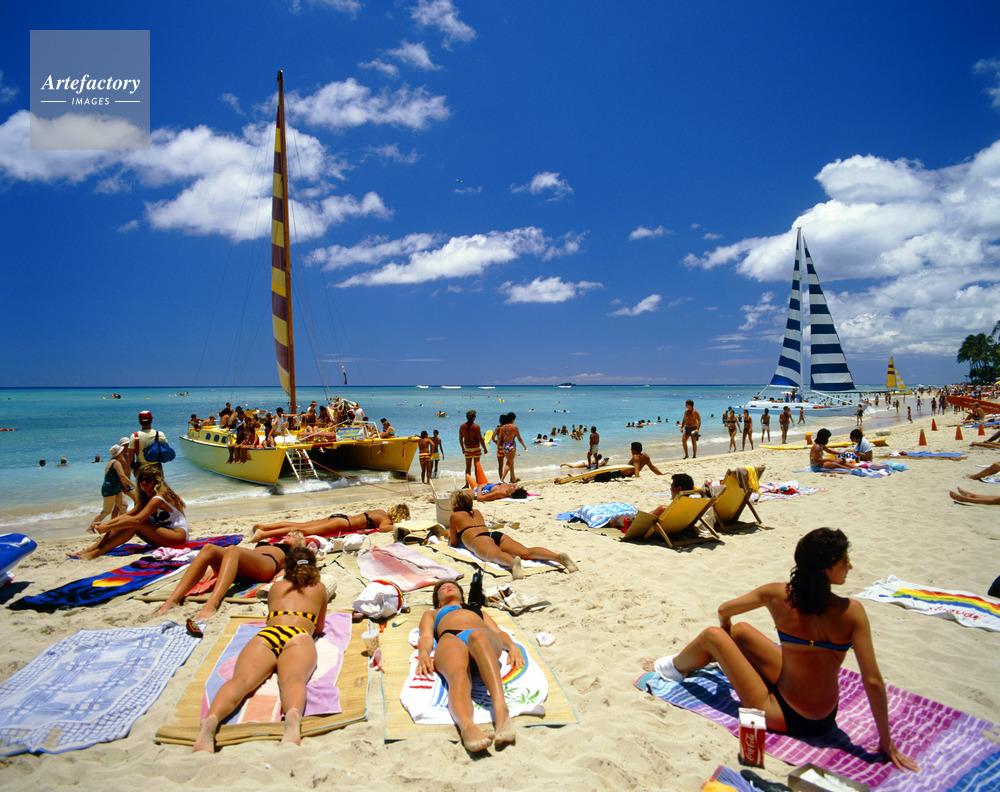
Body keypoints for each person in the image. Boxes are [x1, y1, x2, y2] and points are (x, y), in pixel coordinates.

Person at [642, 528, 919, 772]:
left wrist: (724, 637)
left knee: (713, 636)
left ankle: (672, 667)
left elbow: (724, 611)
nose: (850, 566)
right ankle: (712, 658)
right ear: (825, 569)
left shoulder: (777, 595)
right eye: (844, 561)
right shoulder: (852, 612)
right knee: (741, 632)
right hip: (825, 717)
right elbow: (872, 681)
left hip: (785, 716)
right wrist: (886, 741)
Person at [194, 544, 327, 752]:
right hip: (298, 636)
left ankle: (211, 722)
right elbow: (318, 628)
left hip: (269, 634)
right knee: (293, 680)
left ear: (287, 567)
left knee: (241, 681)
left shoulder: (275, 588)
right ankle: (292, 723)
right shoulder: (319, 588)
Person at [416, 580, 521, 751]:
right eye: (442, 588)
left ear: (462, 596)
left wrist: (512, 646)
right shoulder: (433, 613)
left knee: (477, 636)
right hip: (451, 637)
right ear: (438, 601)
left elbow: (498, 632)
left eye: (453, 586)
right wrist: (423, 654)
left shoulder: (478, 611)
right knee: (457, 675)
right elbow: (426, 636)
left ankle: (501, 710)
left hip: (482, 636)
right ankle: (467, 727)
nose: (448, 587)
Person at [155, 533, 304, 621]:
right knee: (208, 548)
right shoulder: (270, 543)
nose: (290, 534)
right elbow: (245, 556)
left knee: (233, 549)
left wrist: (279, 576)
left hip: (265, 566)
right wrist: (213, 569)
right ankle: (173, 599)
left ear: (299, 544)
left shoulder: (293, 551)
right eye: (289, 533)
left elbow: (291, 566)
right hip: (242, 566)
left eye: (295, 536)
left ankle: (212, 603)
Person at [448, 489, 577, 579]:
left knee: (496, 555)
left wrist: (448, 537)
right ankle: (557, 557)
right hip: (495, 535)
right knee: (526, 551)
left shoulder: (454, 516)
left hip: (479, 540)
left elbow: (453, 542)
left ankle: (512, 563)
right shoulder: (476, 512)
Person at [71, 464, 189, 560]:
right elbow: (127, 515)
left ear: (156, 481)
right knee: (127, 522)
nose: (144, 483)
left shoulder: (158, 498)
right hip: (164, 536)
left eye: (148, 480)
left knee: (135, 524)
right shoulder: (146, 497)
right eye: (141, 480)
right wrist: (106, 524)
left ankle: (96, 553)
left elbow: (136, 520)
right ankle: (89, 550)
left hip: (177, 537)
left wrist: (107, 527)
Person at [249, 505, 410, 543]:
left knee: (301, 525)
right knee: (302, 531)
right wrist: (400, 526)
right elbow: (382, 529)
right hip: (343, 524)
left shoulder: (381, 511)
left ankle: (263, 526)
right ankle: (263, 534)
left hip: (341, 517)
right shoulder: (386, 520)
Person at [91, 443, 135, 530]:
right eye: (121, 452)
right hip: (110, 488)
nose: (122, 453)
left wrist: (122, 485)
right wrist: (134, 485)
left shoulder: (112, 461)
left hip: (116, 487)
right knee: (106, 511)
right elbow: (122, 476)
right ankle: (91, 527)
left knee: (123, 506)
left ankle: (119, 526)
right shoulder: (116, 463)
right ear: (118, 454)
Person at [125, 410, 166, 474]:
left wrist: (133, 470)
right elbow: (165, 451)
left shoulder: (134, 436)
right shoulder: (159, 434)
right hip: (156, 468)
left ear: (140, 422)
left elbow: (130, 457)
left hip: (141, 469)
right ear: (151, 421)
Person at [499, 412, 527, 484]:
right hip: (511, 446)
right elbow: (519, 438)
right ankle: (501, 479)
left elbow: (500, 438)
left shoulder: (502, 427)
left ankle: (513, 479)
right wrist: (524, 446)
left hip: (504, 446)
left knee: (511, 462)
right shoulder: (514, 427)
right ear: (513, 419)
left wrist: (498, 447)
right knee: (508, 463)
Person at [459, 410, 488, 477]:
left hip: (467, 448)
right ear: (473, 418)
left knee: (468, 467)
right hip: (476, 448)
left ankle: (467, 482)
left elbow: (460, 439)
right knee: (477, 466)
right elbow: (480, 439)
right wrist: (485, 448)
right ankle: (477, 482)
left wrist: (462, 448)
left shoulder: (462, 427)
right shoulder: (476, 427)